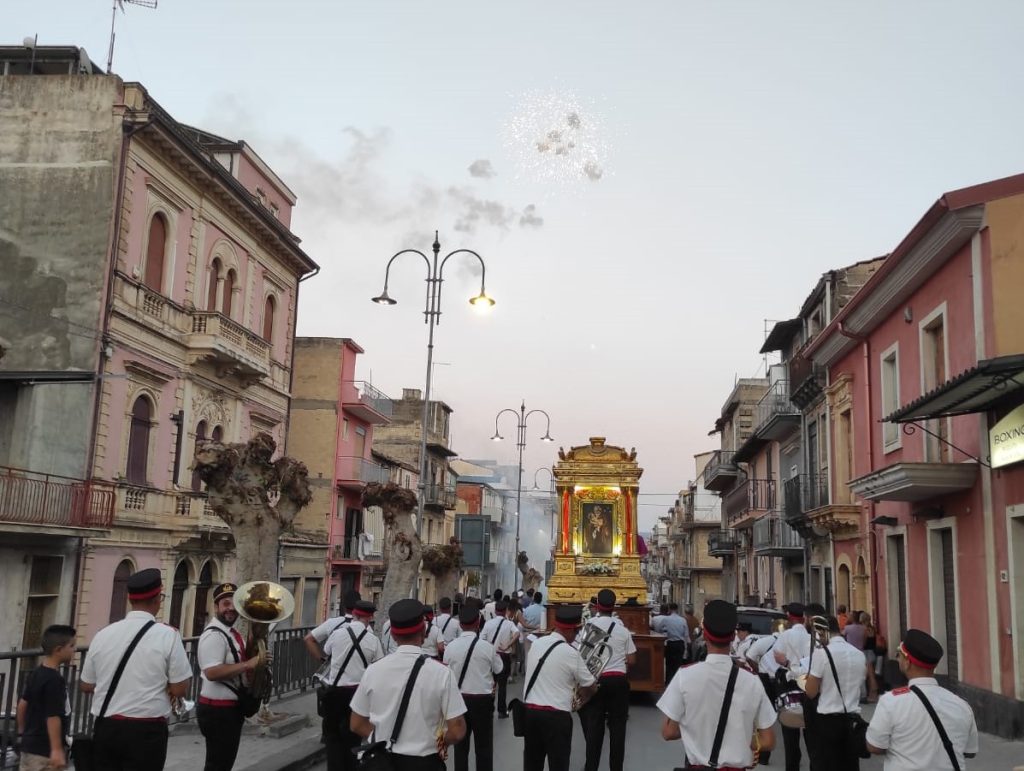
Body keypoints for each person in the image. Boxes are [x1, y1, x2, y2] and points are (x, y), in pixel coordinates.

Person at [79, 568, 192, 771]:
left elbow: (86, 685)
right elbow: (180, 689)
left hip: (106, 726)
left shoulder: (103, 634)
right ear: (158, 599)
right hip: (147, 731)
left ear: (131, 599)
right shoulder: (168, 635)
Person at [658, 600, 776, 769]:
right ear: (733, 636)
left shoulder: (685, 676)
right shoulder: (752, 681)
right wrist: (739, 737)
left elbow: (668, 732)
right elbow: (768, 741)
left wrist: (697, 730)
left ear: (704, 634)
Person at [350, 599, 466, 770]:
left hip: (383, 762)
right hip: (425, 762)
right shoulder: (441, 673)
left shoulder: (373, 671)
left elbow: (357, 723)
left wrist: (381, 739)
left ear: (394, 636)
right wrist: (440, 743)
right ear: (424, 630)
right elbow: (457, 730)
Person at [866, 629, 979, 770]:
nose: (897, 658)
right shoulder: (961, 705)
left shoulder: (891, 702)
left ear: (907, 662)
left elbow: (874, 746)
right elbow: (970, 752)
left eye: (899, 654)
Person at [521, 605, 597, 771]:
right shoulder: (571, 653)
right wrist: (584, 698)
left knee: (532, 765)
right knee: (559, 765)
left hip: (531, 714)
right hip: (556, 717)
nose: (576, 635)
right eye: (576, 632)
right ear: (570, 630)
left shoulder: (537, 644)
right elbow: (591, 685)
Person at [196, 582, 261, 771]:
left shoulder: (231, 633)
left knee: (223, 764)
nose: (230, 608)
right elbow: (212, 672)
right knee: (218, 765)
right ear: (216, 607)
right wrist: (248, 664)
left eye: (234, 604)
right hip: (217, 712)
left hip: (228, 711)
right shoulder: (213, 635)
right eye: (225, 604)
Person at [578, 589, 636, 771]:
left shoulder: (588, 626)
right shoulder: (622, 630)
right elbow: (632, 659)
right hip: (618, 682)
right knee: (618, 729)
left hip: (596, 681)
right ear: (613, 607)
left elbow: (581, 653)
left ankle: (591, 767)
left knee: (594, 728)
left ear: (596, 607)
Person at [322, 600, 382, 771]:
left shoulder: (337, 634)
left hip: (335, 691)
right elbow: (378, 666)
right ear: (370, 617)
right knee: (354, 738)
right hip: (358, 694)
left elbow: (326, 652)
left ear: (354, 615)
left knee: (332, 738)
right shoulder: (373, 640)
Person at [443, 605, 503, 771]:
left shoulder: (451, 647)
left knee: (460, 747)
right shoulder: (487, 647)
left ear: (460, 624)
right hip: (482, 702)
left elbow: (446, 673)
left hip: (458, 701)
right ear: (478, 623)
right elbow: (499, 669)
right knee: (484, 746)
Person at [804, 615, 866, 771]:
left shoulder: (822, 653)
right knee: (850, 765)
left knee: (826, 764)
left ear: (822, 631)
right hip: (852, 720)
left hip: (828, 721)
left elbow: (811, 692)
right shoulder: (859, 654)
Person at [16, 624, 76, 771]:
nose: (74, 650)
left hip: (30, 747)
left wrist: (22, 732)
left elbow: (23, 704)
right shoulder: (55, 680)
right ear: (59, 650)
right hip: (45, 751)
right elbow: (53, 716)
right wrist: (56, 749)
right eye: (72, 646)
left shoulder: (36, 672)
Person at [773, 602, 816, 771]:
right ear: (803, 618)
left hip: (789, 683)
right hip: (808, 683)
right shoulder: (810, 636)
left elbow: (777, 656)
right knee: (810, 729)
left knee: (789, 730)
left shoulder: (785, 635)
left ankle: (792, 765)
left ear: (790, 617)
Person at [305, 590, 361, 671]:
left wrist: (323, 661)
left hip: (335, 674)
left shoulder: (333, 622)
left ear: (344, 605)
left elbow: (308, 639)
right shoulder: (365, 626)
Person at [481, 600, 518, 718]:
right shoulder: (509, 624)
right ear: (506, 611)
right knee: (502, 685)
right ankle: (502, 710)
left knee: (491, 683)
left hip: (491, 655)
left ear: (496, 611)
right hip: (503, 656)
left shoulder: (488, 624)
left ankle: (489, 707)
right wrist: (508, 644)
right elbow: (517, 633)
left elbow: (482, 639)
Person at [661, 604, 690, 682]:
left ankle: (668, 681)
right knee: (678, 663)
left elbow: (661, 630)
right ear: (677, 609)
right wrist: (686, 647)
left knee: (669, 664)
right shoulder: (683, 620)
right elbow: (686, 634)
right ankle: (678, 680)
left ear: (669, 609)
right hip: (680, 644)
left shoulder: (666, 619)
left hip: (670, 644)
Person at [860, 612, 880, 702]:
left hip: (866, 653)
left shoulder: (864, 629)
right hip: (872, 652)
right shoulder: (872, 629)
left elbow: (864, 643)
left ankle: (873, 695)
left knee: (870, 676)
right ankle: (872, 694)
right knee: (870, 675)